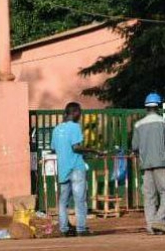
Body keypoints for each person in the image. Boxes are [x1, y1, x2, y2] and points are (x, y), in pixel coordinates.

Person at [52, 102, 98, 237]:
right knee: (80, 200)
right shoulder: (75, 127)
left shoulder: (56, 129)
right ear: (75, 112)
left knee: (63, 201)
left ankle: (64, 229)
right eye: (80, 113)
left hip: (63, 168)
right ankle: (81, 229)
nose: (80, 116)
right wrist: (92, 150)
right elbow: (76, 147)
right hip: (76, 167)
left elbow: (54, 148)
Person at [131, 93, 165, 235]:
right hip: (161, 163)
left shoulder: (138, 124)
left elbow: (134, 146)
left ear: (146, 107)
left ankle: (151, 226)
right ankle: (159, 220)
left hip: (145, 164)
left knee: (149, 196)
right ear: (158, 106)